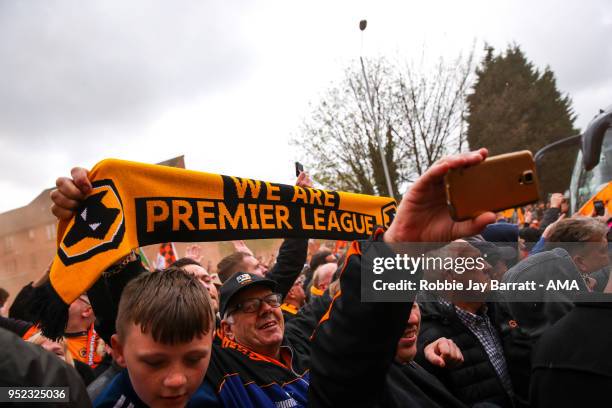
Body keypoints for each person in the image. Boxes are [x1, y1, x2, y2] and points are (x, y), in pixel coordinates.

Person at [309, 149, 496, 407]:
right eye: (397, 309)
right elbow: (345, 368)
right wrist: (401, 245)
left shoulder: (421, 362)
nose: (409, 319)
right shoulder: (361, 381)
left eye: (412, 303)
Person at [94, 267, 217, 407]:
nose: (176, 381)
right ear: (120, 351)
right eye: (155, 362)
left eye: (193, 360)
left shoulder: (222, 391)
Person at [416, 242, 514, 407]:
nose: (488, 266)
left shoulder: (498, 308)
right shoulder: (430, 342)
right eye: (475, 261)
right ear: (451, 277)